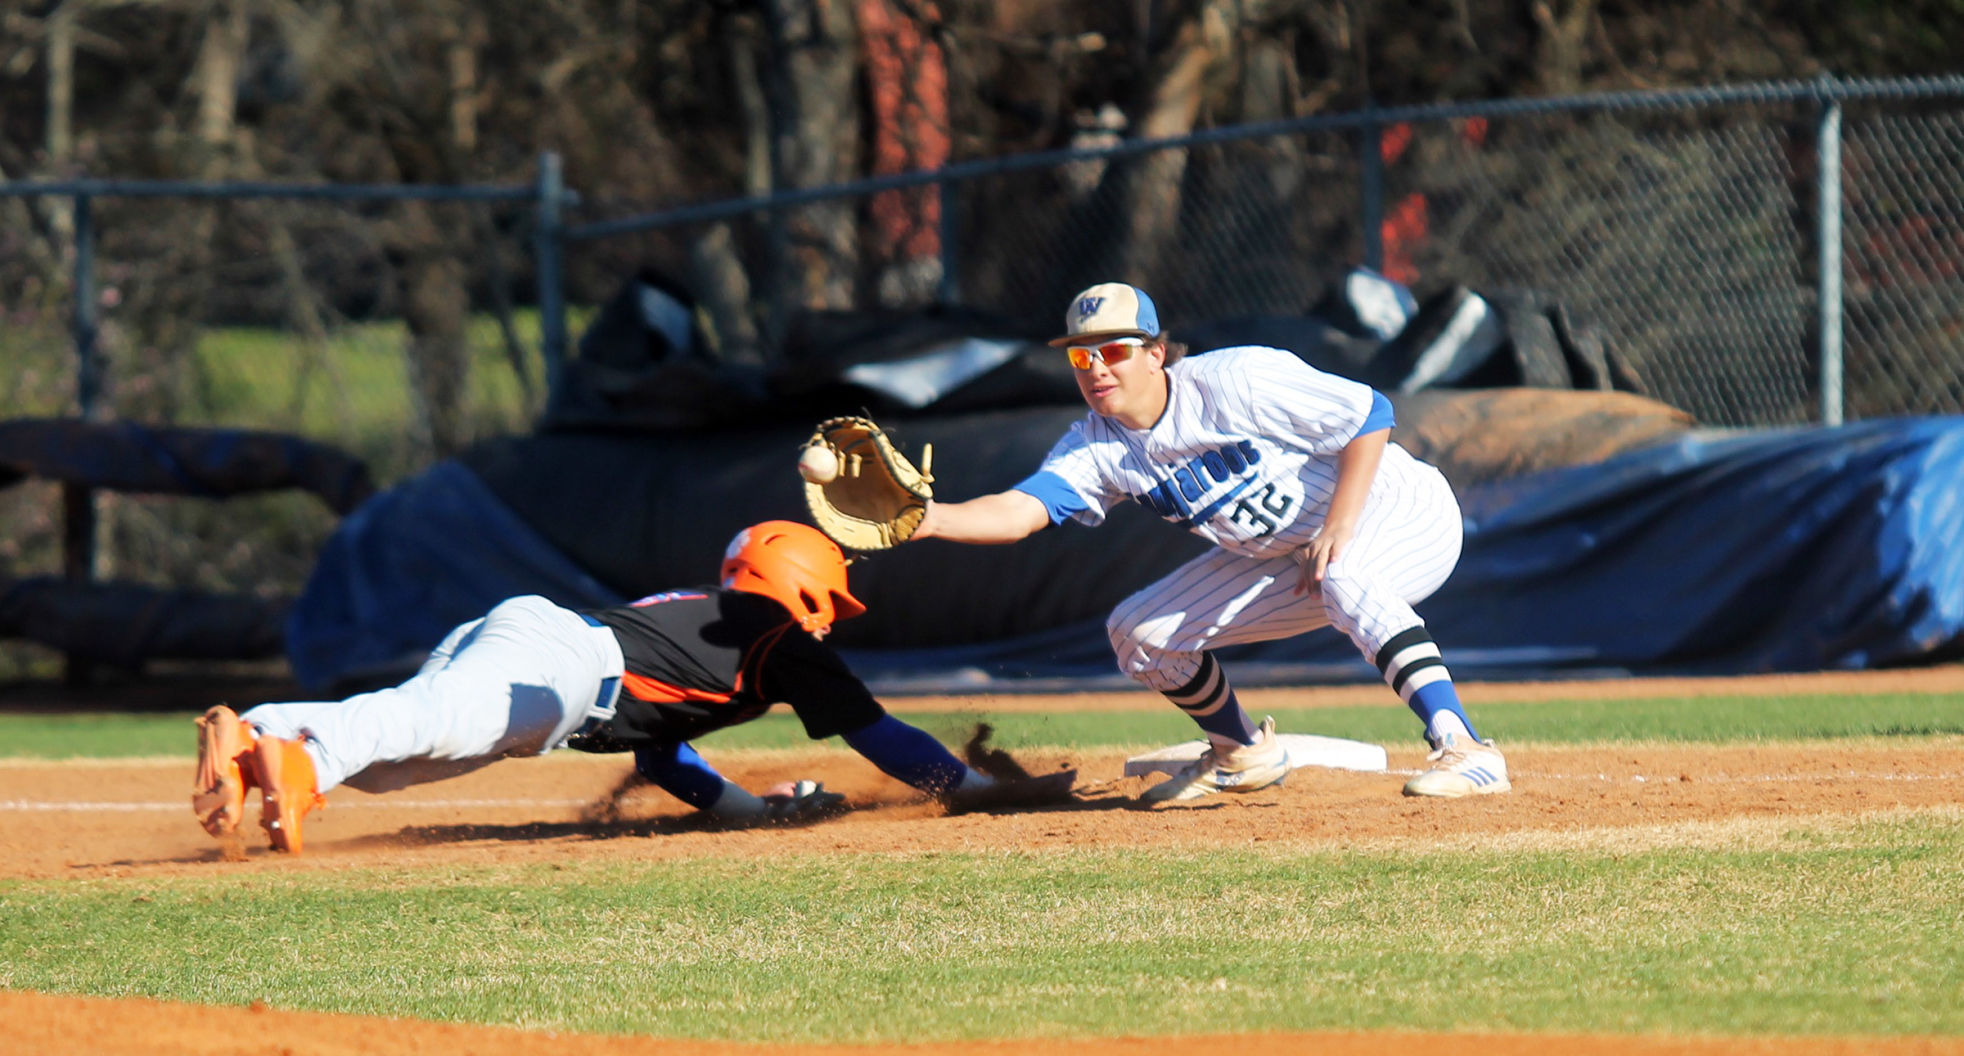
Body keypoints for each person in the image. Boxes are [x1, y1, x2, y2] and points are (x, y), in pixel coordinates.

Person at [910, 282, 1508, 802]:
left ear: (1155, 354)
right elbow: (1021, 511)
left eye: (1114, 350)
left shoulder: (1233, 380)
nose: (1096, 368)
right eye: (1081, 355)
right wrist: (930, 518)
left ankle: (1465, 746)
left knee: (1346, 573)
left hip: (1400, 509)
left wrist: (1339, 525)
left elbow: (1369, 413)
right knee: (1138, 634)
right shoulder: (1096, 446)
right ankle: (1242, 751)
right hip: (1294, 555)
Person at [192, 520, 1006, 853]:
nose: (828, 625)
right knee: (429, 723)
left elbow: (662, 756)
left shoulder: (722, 633)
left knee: (399, 759)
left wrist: (753, 811)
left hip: (555, 662)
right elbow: (878, 733)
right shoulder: (771, 630)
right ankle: (300, 758)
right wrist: (974, 791)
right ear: (798, 585)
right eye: (828, 603)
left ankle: (261, 738)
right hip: (565, 667)